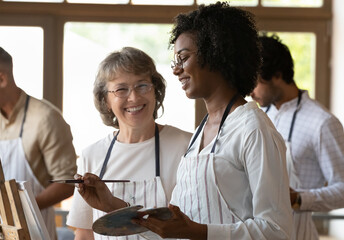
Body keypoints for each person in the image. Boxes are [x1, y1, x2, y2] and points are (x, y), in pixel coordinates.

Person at [78, 3, 293, 239]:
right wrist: (111, 205)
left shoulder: (253, 128)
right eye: (175, 61)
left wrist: (197, 231)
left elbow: (277, 231)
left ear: (216, 53)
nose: (176, 70)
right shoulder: (200, 133)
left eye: (184, 58)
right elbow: (172, 230)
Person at [66, 46, 192, 240]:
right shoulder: (92, 155)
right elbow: (84, 233)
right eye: (121, 89)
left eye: (142, 85)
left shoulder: (187, 146)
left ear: (155, 91)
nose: (133, 97)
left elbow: (196, 227)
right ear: (106, 100)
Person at [250, 34, 344, 240]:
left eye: (255, 83)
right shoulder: (261, 117)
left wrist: (298, 198)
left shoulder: (322, 122)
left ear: (278, 75)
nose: (251, 93)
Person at [0, 46, 77, 239]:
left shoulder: (46, 119)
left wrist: (18, 210)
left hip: (36, 231)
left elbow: (66, 183)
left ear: (2, 79)